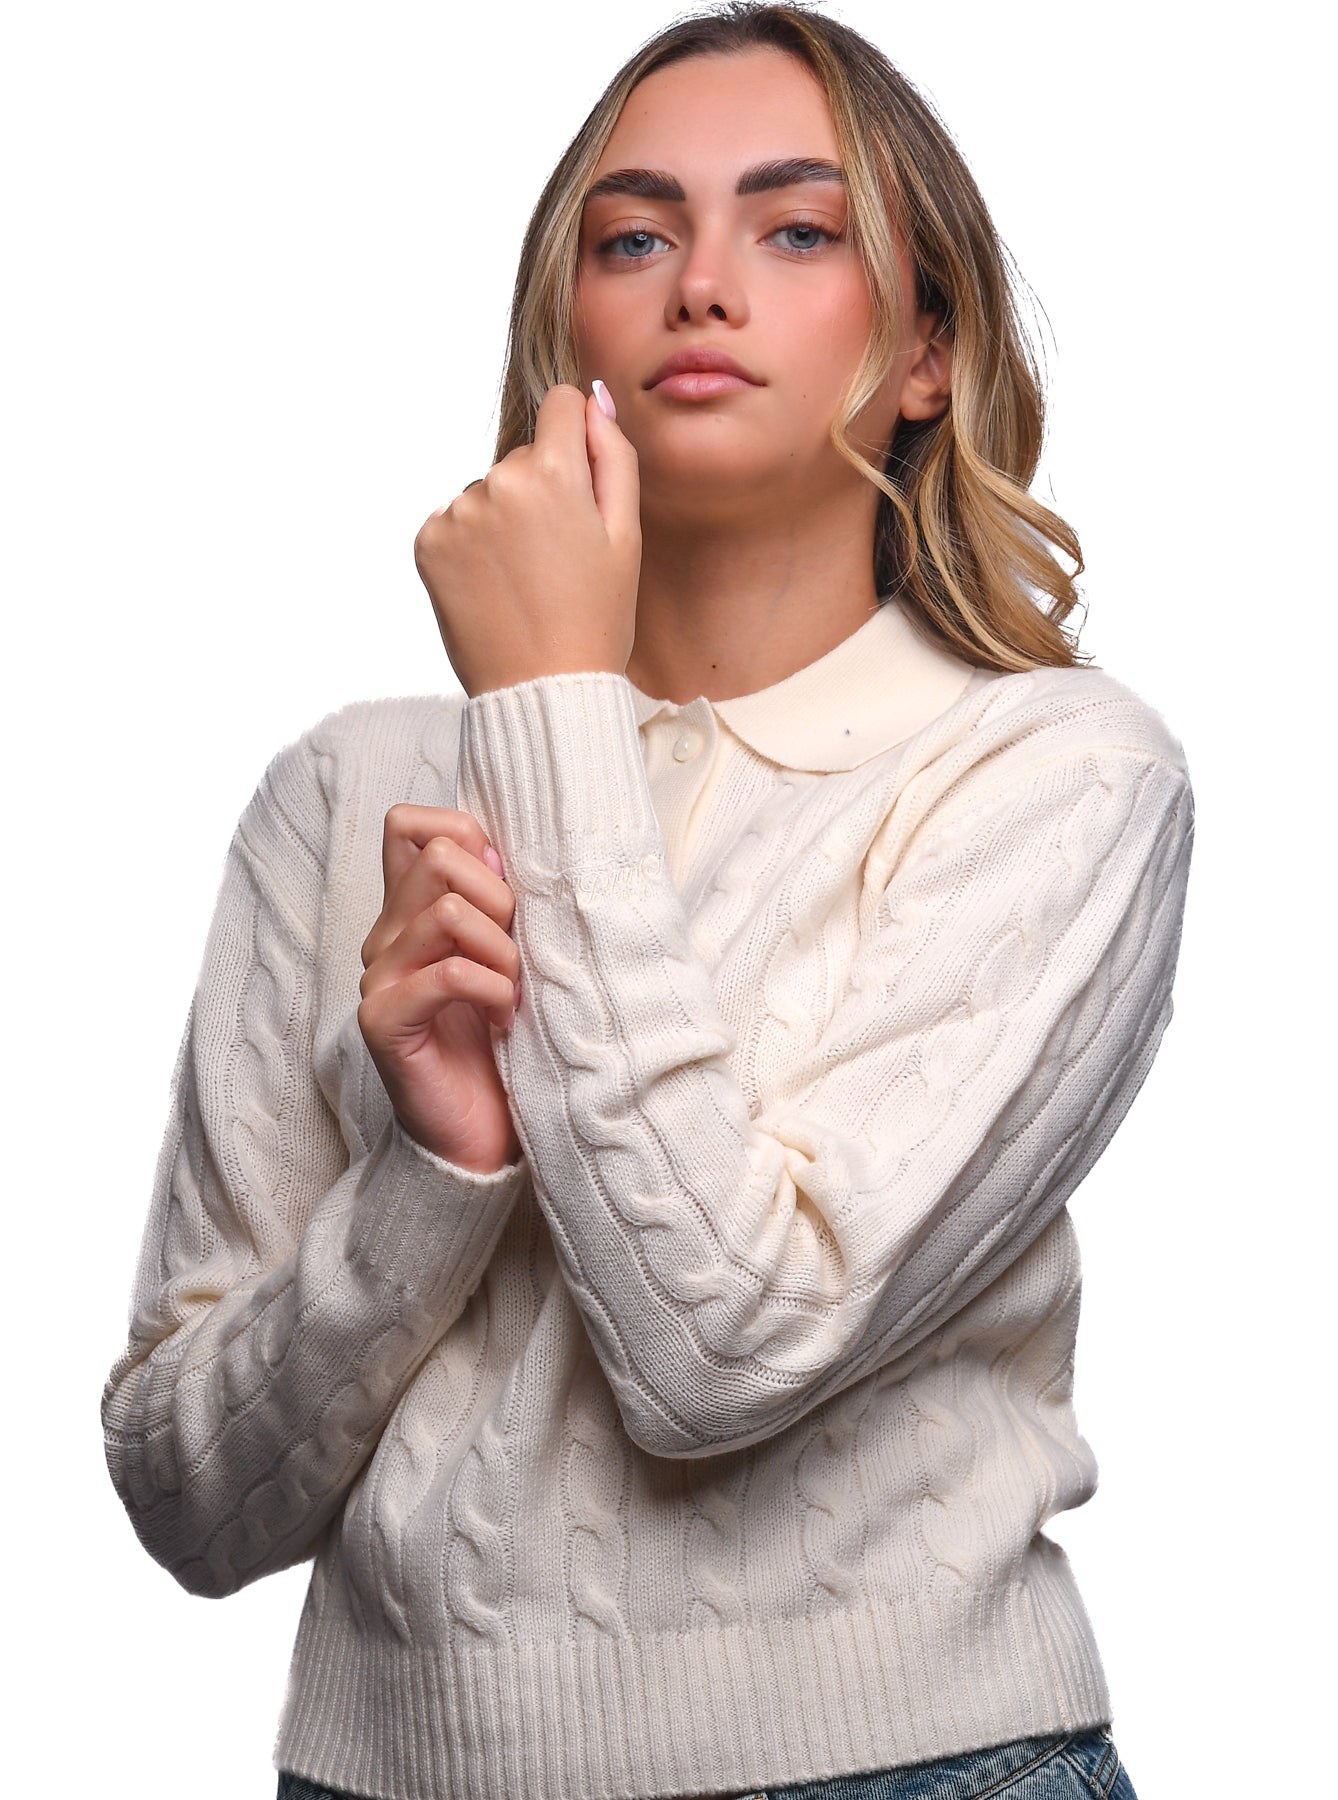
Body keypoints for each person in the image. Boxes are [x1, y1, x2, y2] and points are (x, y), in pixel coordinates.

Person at [102, 6, 1192, 1797]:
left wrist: (545, 711)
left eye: (797, 229)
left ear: (927, 352)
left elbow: (722, 1351)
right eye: (632, 238)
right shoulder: (344, 791)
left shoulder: (1056, 775)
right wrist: (432, 1174)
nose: (700, 286)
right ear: (570, 338)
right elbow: (189, 1504)